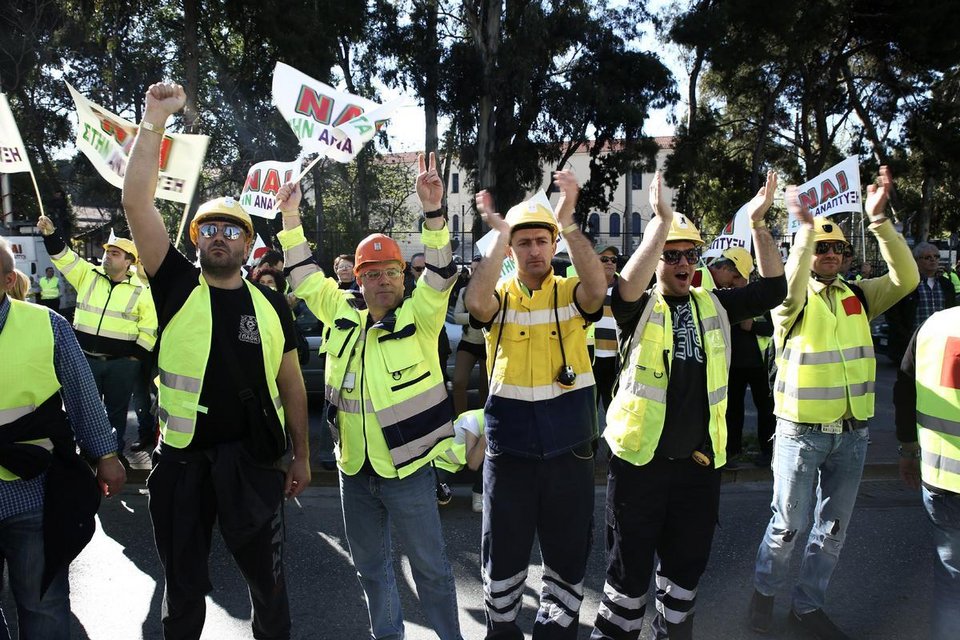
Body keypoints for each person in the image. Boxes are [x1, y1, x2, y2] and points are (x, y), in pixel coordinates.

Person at [122, 81, 311, 640]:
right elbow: (136, 202)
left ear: (248, 244)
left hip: (253, 463)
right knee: (182, 591)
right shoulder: (175, 283)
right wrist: (153, 119)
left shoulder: (273, 305)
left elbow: (294, 388)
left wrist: (301, 456)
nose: (219, 237)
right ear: (196, 239)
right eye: (208, 229)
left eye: (231, 229)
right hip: (181, 466)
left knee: (268, 587)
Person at [277, 152, 464, 640]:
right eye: (372, 273)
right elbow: (303, 276)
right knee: (372, 571)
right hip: (353, 471)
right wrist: (291, 216)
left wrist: (433, 210)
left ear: (404, 277)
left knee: (432, 571)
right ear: (358, 279)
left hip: (407, 471)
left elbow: (441, 270)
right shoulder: (339, 311)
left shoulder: (421, 317)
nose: (383, 281)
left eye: (391, 273)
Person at [591, 171, 785, 640]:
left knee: (683, 576)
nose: (681, 262)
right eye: (670, 254)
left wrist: (758, 222)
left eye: (689, 254)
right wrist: (659, 223)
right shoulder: (640, 306)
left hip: (698, 468)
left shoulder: (714, 304)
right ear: (657, 258)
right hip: (641, 465)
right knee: (627, 579)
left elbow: (774, 290)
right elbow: (625, 291)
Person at [749, 166, 920, 639]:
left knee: (832, 530)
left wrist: (879, 221)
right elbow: (791, 281)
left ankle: (807, 607)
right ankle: (763, 594)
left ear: (846, 256)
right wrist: (804, 232)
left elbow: (905, 278)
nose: (828, 254)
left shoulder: (860, 297)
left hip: (852, 433)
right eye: (820, 247)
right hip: (800, 433)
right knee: (787, 527)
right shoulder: (791, 302)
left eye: (836, 248)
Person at [465, 170, 607, 639]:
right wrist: (499, 236)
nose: (533, 250)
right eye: (522, 243)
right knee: (503, 548)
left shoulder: (570, 292)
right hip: (511, 451)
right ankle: (501, 626)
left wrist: (567, 222)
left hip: (570, 447)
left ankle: (558, 626)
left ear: (553, 245)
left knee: (568, 548)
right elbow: (476, 300)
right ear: (512, 250)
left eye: (540, 241)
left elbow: (597, 288)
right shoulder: (500, 296)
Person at [0, 237, 126, 639]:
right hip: (31, 488)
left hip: (32, 491)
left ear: (6, 281)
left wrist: (106, 454)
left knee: (43, 606)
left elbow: (81, 392)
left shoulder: (46, 323)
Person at [37, 218, 158, 456]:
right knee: (83, 410)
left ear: (129, 261)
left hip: (121, 365)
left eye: (114, 253)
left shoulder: (142, 290)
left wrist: (134, 359)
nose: (107, 256)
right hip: (85, 361)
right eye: (107, 252)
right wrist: (51, 234)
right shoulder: (87, 274)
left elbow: (149, 327)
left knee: (116, 412)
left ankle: (113, 455)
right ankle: (85, 454)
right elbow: (63, 257)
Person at [894, 305, 960, 640]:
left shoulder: (934, 325)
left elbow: (904, 391)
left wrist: (907, 450)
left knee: (951, 583)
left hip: (941, 475)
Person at [700, 247, 777, 467]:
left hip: (759, 365)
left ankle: (768, 451)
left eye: (740, 278)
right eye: (734, 277)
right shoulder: (717, 293)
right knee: (731, 411)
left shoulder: (753, 298)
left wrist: (752, 326)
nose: (736, 283)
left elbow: (773, 328)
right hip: (731, 366)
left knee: (766, 409)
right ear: (724, 267)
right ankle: (731, 451)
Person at [885, 241, 956, 366]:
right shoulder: (908, 284)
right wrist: (907, 339)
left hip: (939, 346)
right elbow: (893, 315)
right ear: (916, 260)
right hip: (911, 347)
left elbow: (952, 314)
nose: (933, 260)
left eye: (936, 256)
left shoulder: (946, 285)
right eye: (928, 257)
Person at [593, 245, 620, 414]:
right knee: (589, 412)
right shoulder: (585, 289)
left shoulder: (625, 289)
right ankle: (592, 442)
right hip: (590, 360)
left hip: (616, 361)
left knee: (615, 411)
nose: (610, 262)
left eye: (613, 260)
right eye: (604, 259)